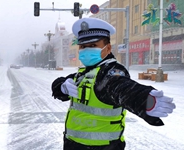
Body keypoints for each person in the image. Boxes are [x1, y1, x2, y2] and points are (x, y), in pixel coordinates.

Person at [51, 18, 176, 150]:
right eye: (82, 46)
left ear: (108, 48)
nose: (86, 50)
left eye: (93, 46)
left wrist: (144, 100)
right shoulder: (84, 73)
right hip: (72, 144)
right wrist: (62, 86)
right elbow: (57, 85)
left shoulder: (111, 73)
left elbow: (121, 88)